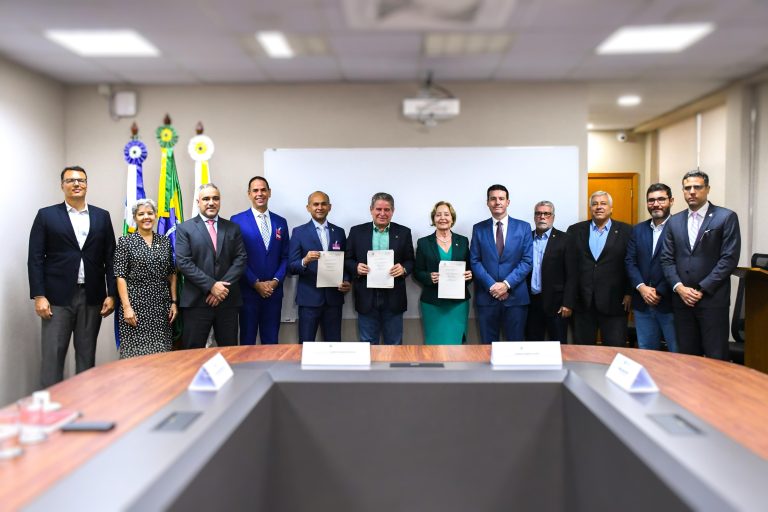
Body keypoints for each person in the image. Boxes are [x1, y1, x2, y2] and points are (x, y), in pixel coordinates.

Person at [28, 166, 116, 387]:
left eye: (81, 180)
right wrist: (39, 295)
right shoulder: (46, 215)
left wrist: (112, 294)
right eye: (70, 180)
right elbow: (35, 258)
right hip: (56, 299)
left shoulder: (102, 216)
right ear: (62, 185)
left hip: (92, 296)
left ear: (86, 184)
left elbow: (111, 258)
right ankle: (50, 405)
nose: (76, 184)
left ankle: (84, 403)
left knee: (86, 357)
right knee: (53, 357)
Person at [661, 170, 740, 359]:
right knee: (687, 358)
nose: (692, 192)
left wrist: (701, 289)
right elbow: (667, 259)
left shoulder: (725, 217)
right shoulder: (674, 221)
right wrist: (680, 288)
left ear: (708, 189)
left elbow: (729, 259)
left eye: (697, 187)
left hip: (712, 301)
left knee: (715, 358)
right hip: (682, 301)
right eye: (687, 188)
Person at [175, 183, 247, 349]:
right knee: (192, 354)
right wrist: (211, 286)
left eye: (215, 198)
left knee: (230, 353)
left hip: (227, 301)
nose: (211, 202)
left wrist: (221, 289)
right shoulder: (185, 228)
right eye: (206, 199)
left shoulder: (232, 228)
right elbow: (183, 262)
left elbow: (241, 259)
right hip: (196, 302)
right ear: (198, 202)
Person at [345, 192, 414, 345]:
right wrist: (356, 267)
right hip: (366, 297)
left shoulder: (404, 232)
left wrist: (403, 269)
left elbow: (410, 261)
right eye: (378, 209)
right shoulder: (356, 232)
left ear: (393, 211)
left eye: (387, 209)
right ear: (371, 210)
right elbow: (347, 259)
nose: (382, 213)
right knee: (367, 344)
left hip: (394, 297)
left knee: (395, 344)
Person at [566, 191, 632, 346]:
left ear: (611, 208)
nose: (599, 207)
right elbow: (570, 266)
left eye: (603, 203)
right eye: (594, 204)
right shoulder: (575, 231)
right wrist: (568, 299)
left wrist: (629, 292)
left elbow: (631, 263)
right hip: (583, 302)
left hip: (615, 302)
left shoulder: (627, 231)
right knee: (583, 351)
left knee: (615, 350)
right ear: (590, 208)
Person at [114, 199, 178, 359]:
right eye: (141, 214)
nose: (146, 217)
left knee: (161, 357)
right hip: (135, 309)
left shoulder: (164, 241)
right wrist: (127, 308)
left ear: (155, 215)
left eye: (150, 213)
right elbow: (120, 276)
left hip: (161, 309)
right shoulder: (125, 242)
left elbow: (172, 273)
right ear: (135, 218)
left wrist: (173, 302)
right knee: (135, 359)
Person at [231, 176, 290, 345]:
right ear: (249, 194)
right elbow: (236, 257)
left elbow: (285, 257)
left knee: (271, 342)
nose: (260, 193)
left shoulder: (281, 222)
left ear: (269, 193)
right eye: (255, 190)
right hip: (248, 292)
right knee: (247, 342)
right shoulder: (237, 221)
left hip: (273, 293)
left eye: (263, 190)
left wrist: (275, 281)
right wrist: (255, 283)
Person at [470, 184, 532, 343]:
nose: (497, 202)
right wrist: (492, 286)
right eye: (493, 199)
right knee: (487, 347)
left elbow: (527, 261)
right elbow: (475, 261)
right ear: (487, 203)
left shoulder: (524, 227)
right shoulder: (478, 228)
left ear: (508, 202)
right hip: (487, 297)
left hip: (516, 298)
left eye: (501, 198)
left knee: (516, 346)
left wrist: (506, 285)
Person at [288, 191, 351, 342]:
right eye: (315, 204)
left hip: (334, 299)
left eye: (323, 204)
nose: (320, 207)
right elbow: (291, 267)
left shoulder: (339, 232)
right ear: (308, 207)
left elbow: (345, 262)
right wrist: (305, 260)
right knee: (306, 344)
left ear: (329, 207)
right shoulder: (298, 232)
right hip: (309, 299)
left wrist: (347, 280)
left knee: (334, 345)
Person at [625, 184, 677, 352]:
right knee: (647, 352)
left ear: (671, 201)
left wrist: (658, 291)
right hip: (642, 303)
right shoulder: (637, 229)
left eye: (661, 199)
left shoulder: (679, 227)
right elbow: (630, 261)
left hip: (670, 303)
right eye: (651, 200)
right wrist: (642, 288)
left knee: (677, 353)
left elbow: (681, 264)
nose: (656, 204)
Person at [414, 201, 473, 344]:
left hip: (458, 303)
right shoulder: (423, 243)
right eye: (438, 215)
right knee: (435, 345)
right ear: (433, 219)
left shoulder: (463, 241)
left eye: (446, 214)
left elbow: (471, 269)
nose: (442, 218)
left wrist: (470, 275)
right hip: (432, 303)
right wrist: (429, 277)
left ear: (452, 218)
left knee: (457, 345)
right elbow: (417, 271)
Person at [525, 200, 571, 342]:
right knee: (532, 345)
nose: (542, 217)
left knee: (558, 345)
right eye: (538, 213)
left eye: (546, 213)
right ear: (534, 217)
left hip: (557, 304)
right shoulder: (526, 238)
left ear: (553, 217)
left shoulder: (566, 239)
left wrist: (568, 303)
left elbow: (572, 274)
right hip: (530, 302)